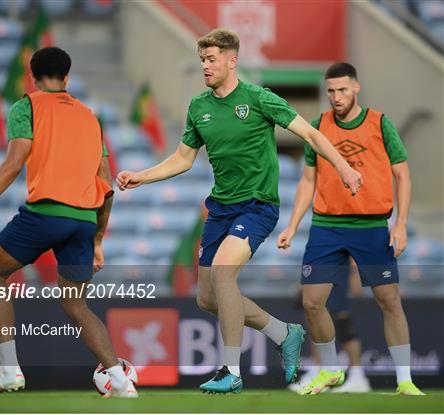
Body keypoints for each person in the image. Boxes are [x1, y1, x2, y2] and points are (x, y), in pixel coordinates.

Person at [116, 29, 362, 394]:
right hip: (220, 209)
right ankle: (284, 332)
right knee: (207, 298)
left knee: (223, 273)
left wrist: (343, 167)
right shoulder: (199, 106)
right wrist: (142, 176)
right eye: (202, 60)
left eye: (212, 59)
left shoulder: (259, 98)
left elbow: (310, 135)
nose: (205, 66)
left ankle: (230, 370)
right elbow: (184, 158)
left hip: (257, 205)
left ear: (232, 61)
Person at [0, 47, 138, 398]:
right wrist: (97, 240)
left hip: (45, 213)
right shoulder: (90, 117)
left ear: (33, 76)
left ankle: (10, 370)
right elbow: (105, 183)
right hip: (83, 220)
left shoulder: (27, 106)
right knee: (76, 305)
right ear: (67, 78)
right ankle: (120, 381)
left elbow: (14, 162)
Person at [277, 62, 424, 396]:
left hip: (372, 225)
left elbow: (403, 175)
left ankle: (404, 380)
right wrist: (292, 224)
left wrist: (400, 224)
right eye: (330, 91)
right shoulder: (318, 127)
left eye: (342, 90)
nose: (336, 97)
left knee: (389, 300)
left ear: (356, 88)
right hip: (327, 226)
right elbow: (308, 179)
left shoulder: (380, 123)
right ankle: (330, 371)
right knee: (312, 302)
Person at [289, 260, 371, 393]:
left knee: (341, 318)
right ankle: (319, 369)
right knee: (315, 316)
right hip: (322, 266)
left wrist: (356, 273)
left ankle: (357, 375)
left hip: (337, 268)